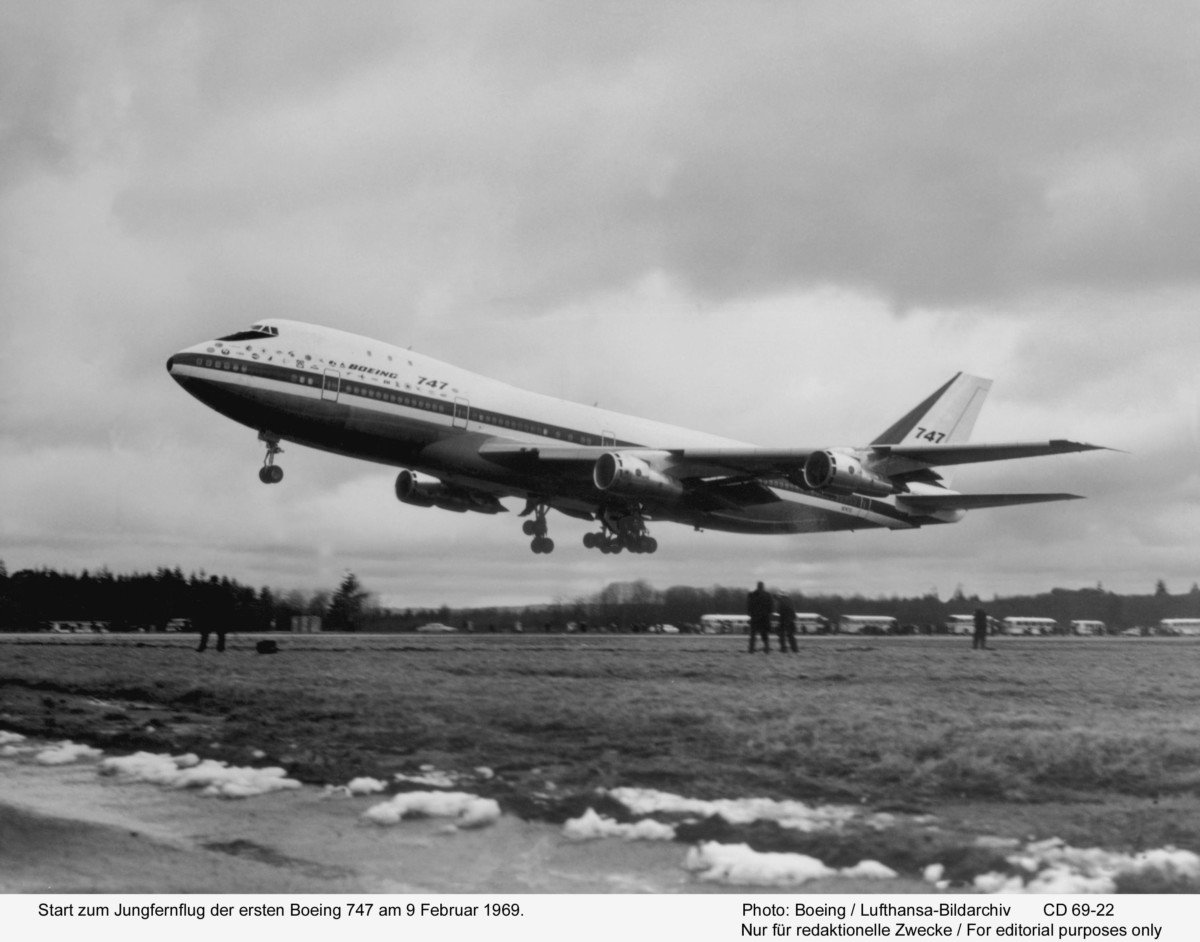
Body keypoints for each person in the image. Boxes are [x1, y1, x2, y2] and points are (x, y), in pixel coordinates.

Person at [747, 581, 773, 654]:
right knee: (765, 635)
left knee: (753, 635)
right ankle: (767, 649)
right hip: (765, 618)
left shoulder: (752, 594)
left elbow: (749, 606)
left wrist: (750, 614)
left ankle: (751, 649)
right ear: (763, 586)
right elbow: (771, 608)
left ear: (757, 586)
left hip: (755, 618)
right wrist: (768, 615)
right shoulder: (768, 595)